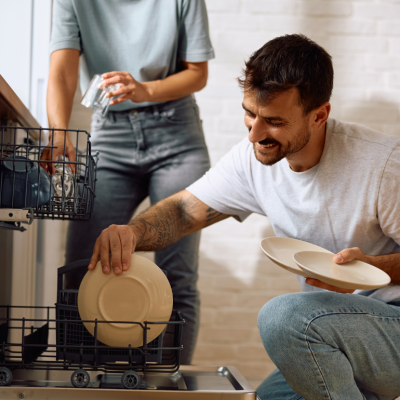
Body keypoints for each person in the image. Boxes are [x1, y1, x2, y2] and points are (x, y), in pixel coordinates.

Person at [88, 34, 400, 399]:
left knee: (283, 318)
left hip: (391, 325)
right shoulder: (252, 160)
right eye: (249, 113)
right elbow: (185, 210)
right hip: (339, 335)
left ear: (319, 115)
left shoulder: (382, 165)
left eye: (273, 121)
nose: (255, 133)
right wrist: (132, 233)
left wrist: (374, 267)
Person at [42, 0, 214, 365]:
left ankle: (166, 382)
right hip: (110, 135)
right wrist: (58, 131)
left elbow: (197, 73)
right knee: (82, 268)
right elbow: (61, 70)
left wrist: (144, 89)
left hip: (177, 136)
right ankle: (82, 382)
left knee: (176, 274)